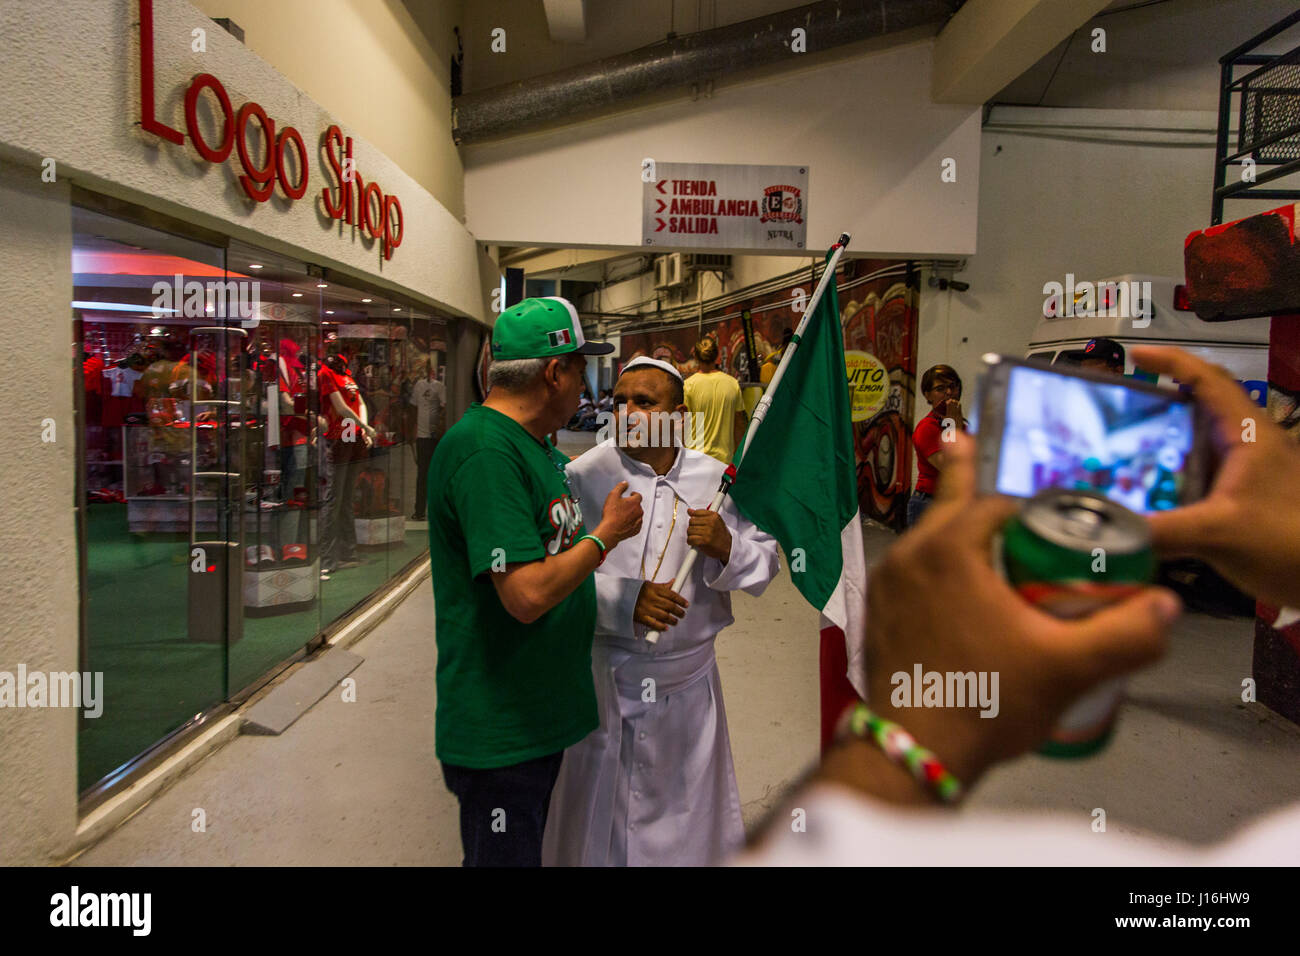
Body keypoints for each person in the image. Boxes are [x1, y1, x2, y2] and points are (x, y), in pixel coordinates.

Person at [741, 345, 1300, 864]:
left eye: (945, 387)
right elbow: (934, 455)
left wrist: (923, 725)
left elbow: (828, 847)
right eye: (934, 389)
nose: (940, 395)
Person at [427, 297, 643, 867]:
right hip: (503, 732)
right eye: (580, 369)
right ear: (555, 373)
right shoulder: (486, 453)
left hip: (535, 720)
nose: (584, 386)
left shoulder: (534, 445)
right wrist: (604, 537)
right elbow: (524, 596)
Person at [543, 356, 781, 867]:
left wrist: (726, 547)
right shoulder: (582, 476)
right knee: (598, 823)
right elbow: (551, 575)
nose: (626, 411)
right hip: (605, 682)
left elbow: (765, 565)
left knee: (685, 823)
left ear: (679, 412)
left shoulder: (716, 481)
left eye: (644, 402)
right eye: (619, 401)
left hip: (689, 691)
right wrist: (622, 602)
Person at [318, 348, 374, 578]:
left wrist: (363, 429)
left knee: (347, 498)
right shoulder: (325, 374)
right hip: (337, 438)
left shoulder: (347, 374)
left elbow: (359, 402)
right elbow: (340, 407)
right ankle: (328, 558)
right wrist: (366, 427)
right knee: (334, 499)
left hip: (354, 437)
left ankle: (349, 552)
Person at [908, 364, 967, 527]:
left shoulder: (962, 424)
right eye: (940, 388)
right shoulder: (927, 427)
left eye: (952, 386)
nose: (949, 392)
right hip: (929, 503)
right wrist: (954, 427)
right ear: (928, 395)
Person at [684, 337, 746, 464]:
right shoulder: (732, 384)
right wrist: (738, 458)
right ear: (717, 355)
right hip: (723, 462)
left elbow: (683, 425)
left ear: (695, 356)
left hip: (695, 460)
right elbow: (739, 425)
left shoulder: (687, 386)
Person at [408, 360, 445, 522]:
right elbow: (413, 407)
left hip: (435, 437)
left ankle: (436, 510)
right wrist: (412, 431)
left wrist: (439, 427)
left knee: (435, 474)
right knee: (422, 474)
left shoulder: (440, 387)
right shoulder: (418, 386)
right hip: (422, 437)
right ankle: (419, 510)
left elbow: (444, 407)